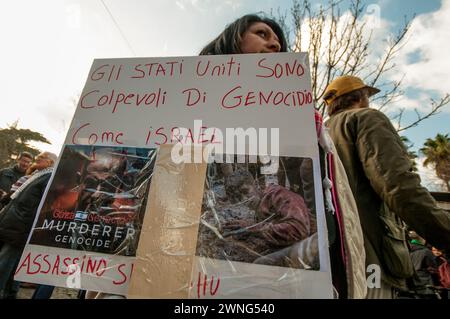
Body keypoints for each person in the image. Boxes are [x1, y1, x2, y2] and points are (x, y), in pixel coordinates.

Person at [199, 14, 367, 299]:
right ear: (231, 41)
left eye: (277, 40)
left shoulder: (279, 189)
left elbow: (311, 221)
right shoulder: (193, 104)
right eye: (262, 34)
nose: (274, 44)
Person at [324, 75, 450, 298]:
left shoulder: (321, 132)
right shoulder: (366, 118)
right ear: (361, 97)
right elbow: (400, 188)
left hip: (331, 260)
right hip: (371, 260)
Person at [0, 151, 57, 299]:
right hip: (16, 223)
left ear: (50, 162)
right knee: (14, 263)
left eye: (41, 158)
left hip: (21, 226)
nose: (37, 159)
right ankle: (10, 294)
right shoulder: (39, 175)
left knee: (5, 261)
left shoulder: (49, 178)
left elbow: (45, 207)